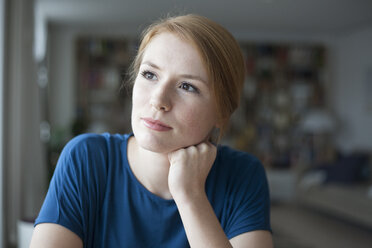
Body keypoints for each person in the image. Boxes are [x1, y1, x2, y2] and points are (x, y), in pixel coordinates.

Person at [30, 14, 273, 248]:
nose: (158, 99)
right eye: (150, 74)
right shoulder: (85, 158)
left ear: (221, 113)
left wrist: (190, 196)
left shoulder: (243, 176)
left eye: (187, 86)